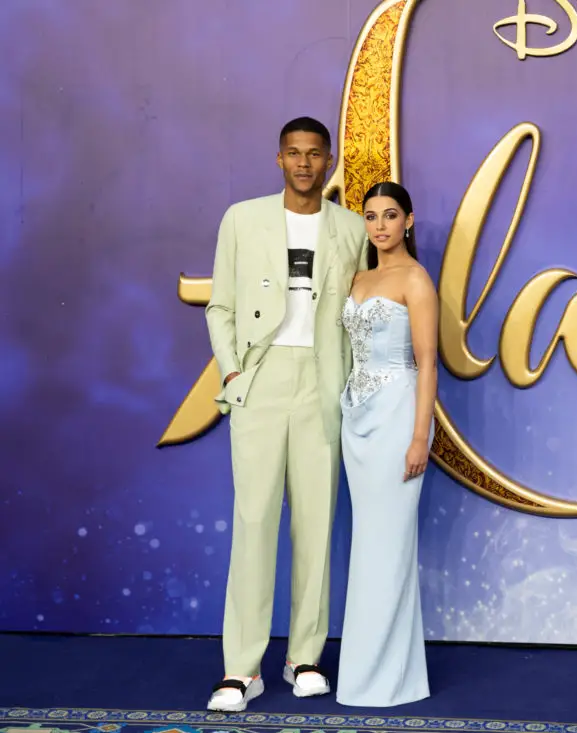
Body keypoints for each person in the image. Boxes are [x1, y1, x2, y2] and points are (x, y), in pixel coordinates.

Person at [204, 116, 367, 711]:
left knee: (316, 527)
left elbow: (358, 314)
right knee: (253, 522)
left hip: (322, 380)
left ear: (329, 160)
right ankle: (241, 668)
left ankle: (305, 658)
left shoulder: (352, 227)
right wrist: (232, 373)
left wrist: (351, 385)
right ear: (279, 159)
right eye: (294, 153)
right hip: (261, 378)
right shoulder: (242, 219)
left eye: (314, 153)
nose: (303, 163)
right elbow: (220, 305)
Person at [337, 181, 438, 707]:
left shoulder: (416, 279)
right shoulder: (358, 277)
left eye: (390, 215)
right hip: (356, 417)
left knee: (390, 546)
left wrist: (420, 437)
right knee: (368, 545)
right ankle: (371, 673)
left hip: (399, 418)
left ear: (408, 221)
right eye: (371, 216)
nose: (380, 225)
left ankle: (388, 680)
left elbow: (427, 363)